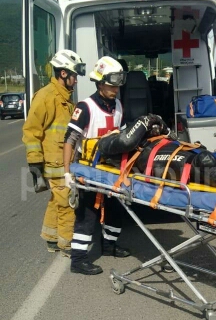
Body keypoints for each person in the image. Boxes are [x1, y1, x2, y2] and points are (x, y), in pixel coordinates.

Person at [64, 57, 161, 275]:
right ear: (99, 83)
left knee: (117, 209)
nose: (115, 89)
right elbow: (69, 139)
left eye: (118, 85)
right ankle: (78, 259)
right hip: (89, 170)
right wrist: (67, 172)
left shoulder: (117, 105)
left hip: (113, 169)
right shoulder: (85, 107)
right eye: (111, 85)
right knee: (87, 214)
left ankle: (108, 245)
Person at [22, 49, 86, 254]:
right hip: (54, 163)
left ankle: (50, 237)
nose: (76, 80)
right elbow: (31, 131)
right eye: (74, 75)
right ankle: (67, 244)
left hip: (62, 160)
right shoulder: (46, 96)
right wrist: (34, 163)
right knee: (67, 201)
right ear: (63, 74)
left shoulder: (65, 99)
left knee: (56, 200)